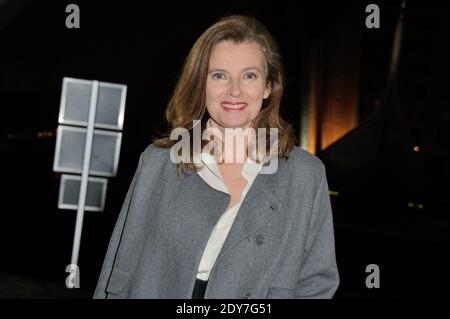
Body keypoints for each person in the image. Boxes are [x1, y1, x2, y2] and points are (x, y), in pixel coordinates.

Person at [94, 15, 339, 299]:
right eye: (219, 75)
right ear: (202, 84)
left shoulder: (305, 175)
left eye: (249, 75)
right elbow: (119, 267)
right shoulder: (158, 163)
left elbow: (316, 285)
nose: (234, 90)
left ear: (268, 86)